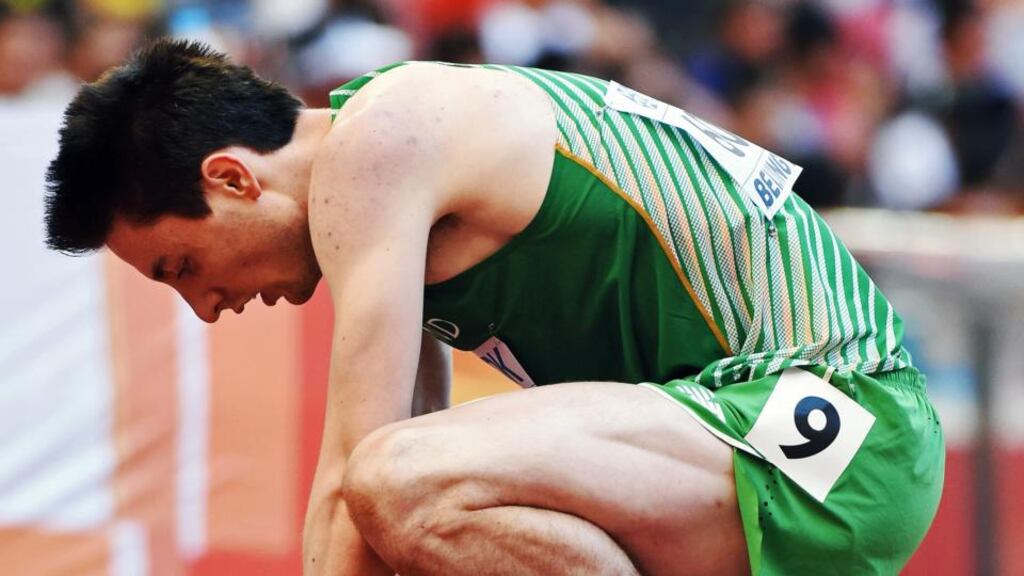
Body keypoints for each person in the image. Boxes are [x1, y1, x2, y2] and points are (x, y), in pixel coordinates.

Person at [44, 39, 944, 575]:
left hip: (838, 426)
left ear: (232, 178)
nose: (206, 308)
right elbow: (399, 509)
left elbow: (357, 471)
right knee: (418, 506)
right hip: (761, 451)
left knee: (396, 479)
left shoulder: (381, 142)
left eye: (181, 266)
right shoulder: (395, 175)